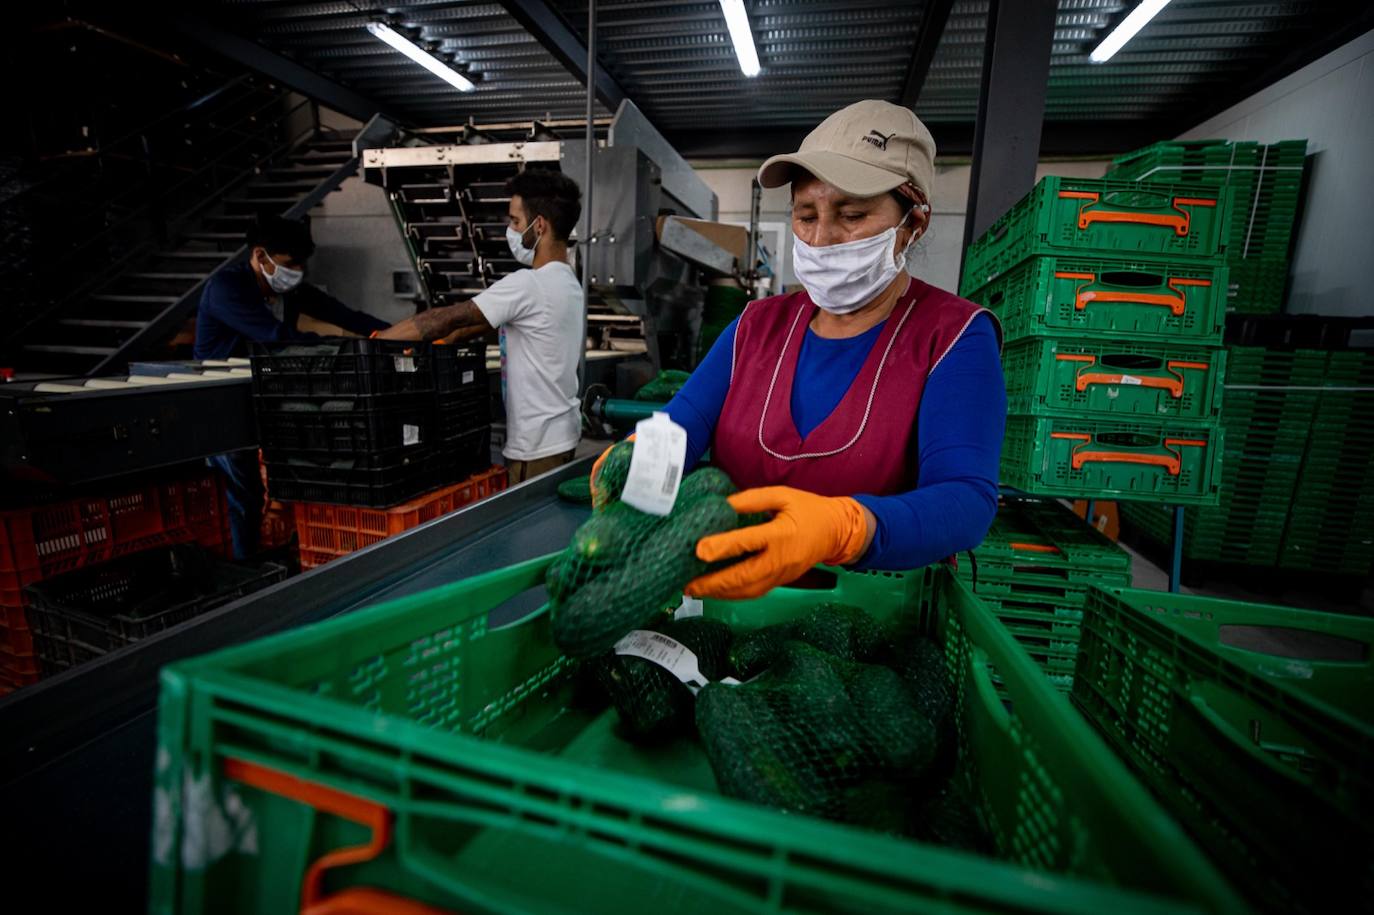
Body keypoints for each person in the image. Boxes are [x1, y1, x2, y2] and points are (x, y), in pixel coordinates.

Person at [594, 99, 1006, 600]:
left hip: (866, 626)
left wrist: (845, 528)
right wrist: (638, 457)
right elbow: (680, 429)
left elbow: (966, 501)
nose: (823, 237)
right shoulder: (756, 326)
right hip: (725, 601)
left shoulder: (953, 336)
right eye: (805, 215)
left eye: (852, 214)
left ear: (913, 224)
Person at [195, 215, 389, 558]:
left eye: (302, 264)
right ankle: (247, 567)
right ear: (260, 256)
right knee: (243, 493)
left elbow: (348, 316)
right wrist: (335, 347)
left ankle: (276, 554)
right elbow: (277, 340)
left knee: (283, 484)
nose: (297, 271)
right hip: (222, 403)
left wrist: (401, 333)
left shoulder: (289, 291)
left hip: (269, 398)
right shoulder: (227, 289)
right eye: (289, 264)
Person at [378, 169, 583, 484]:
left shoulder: (530, 284)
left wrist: (374, 344)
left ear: (539, 224)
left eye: (515, 222)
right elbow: (467, 329)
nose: (511, 230)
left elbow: (447, 319)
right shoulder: (568, 282)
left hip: (537, 449)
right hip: (560, 435)